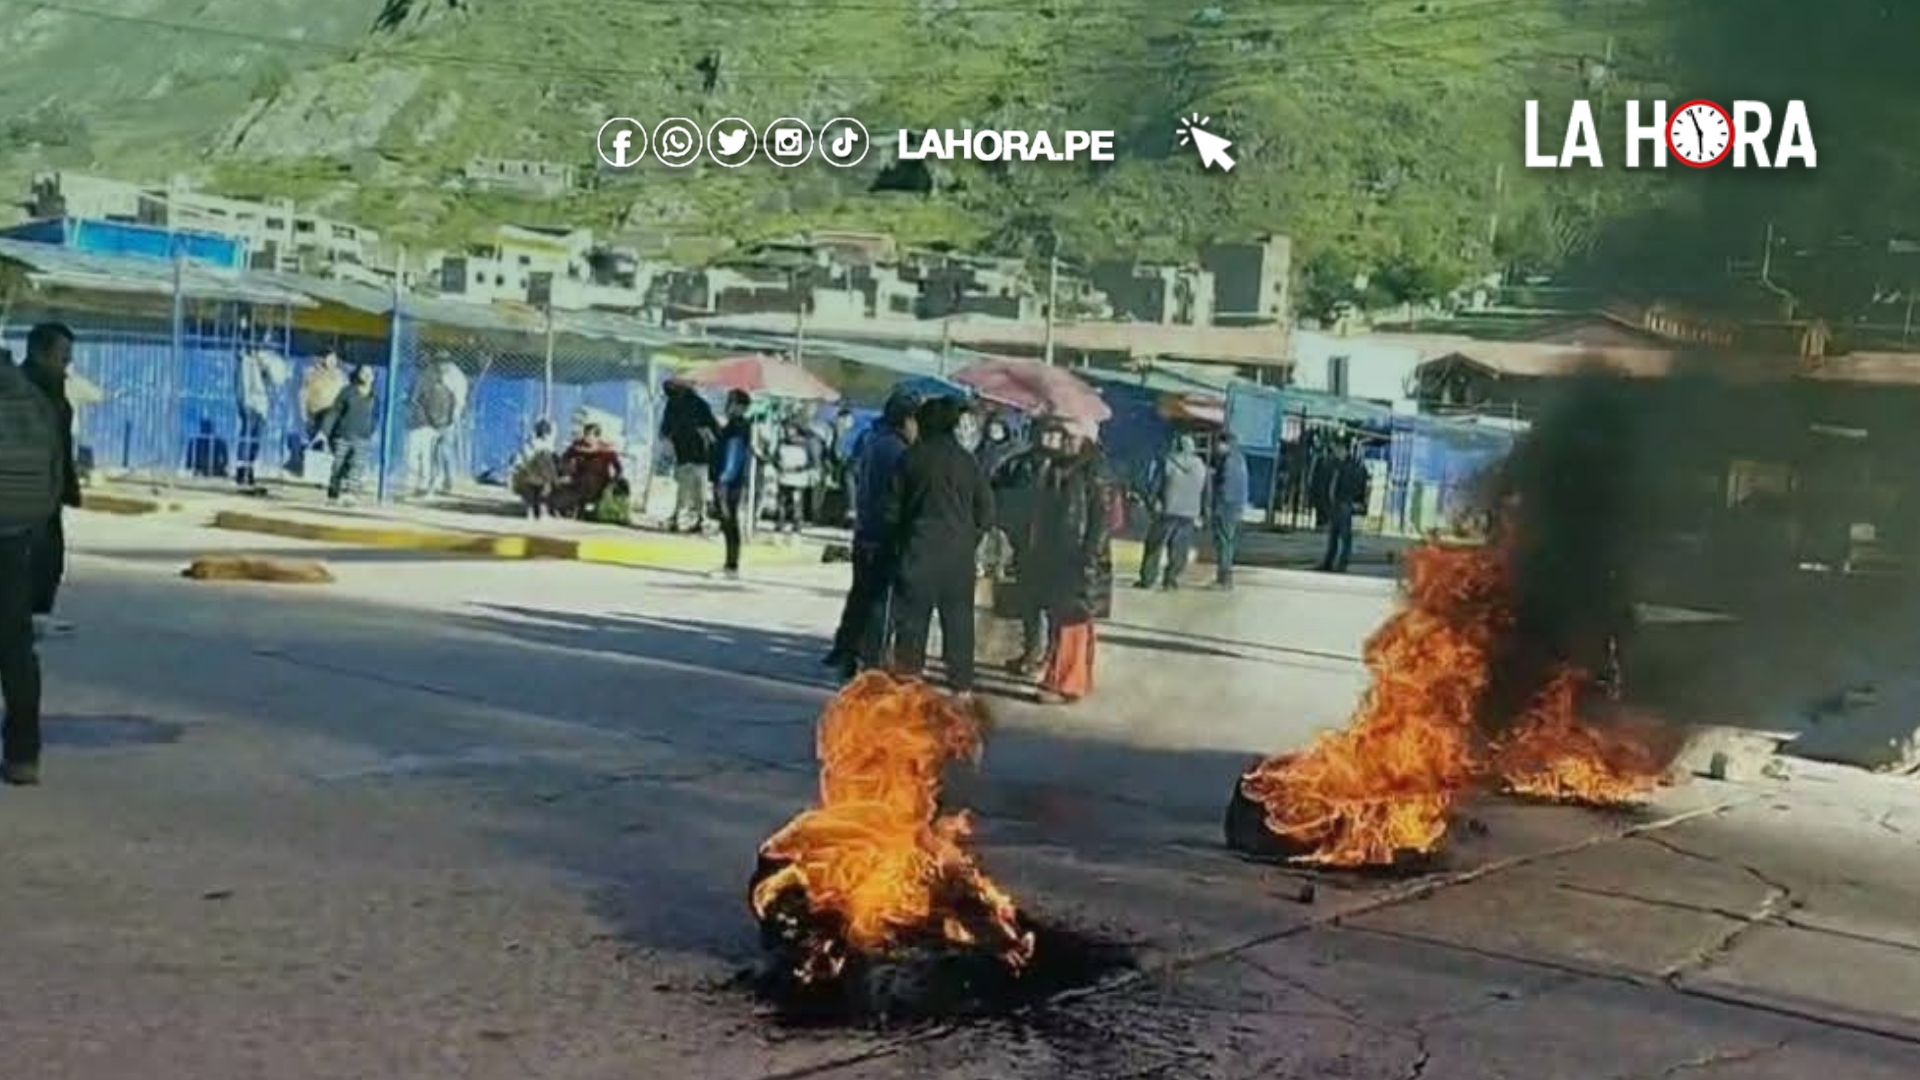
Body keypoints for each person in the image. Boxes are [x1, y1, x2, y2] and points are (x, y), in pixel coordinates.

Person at [886, 396, 994, 697]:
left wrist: (899, 543)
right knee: (959, 623)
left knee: (912, 622)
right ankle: (961, 687)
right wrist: (968, 540)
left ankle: (908, 683)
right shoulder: (967, 462)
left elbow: (892, 512)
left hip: (917, 552)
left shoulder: (910, 458)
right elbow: (986, 512)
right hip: (957, 558)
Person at [0, 346, 62, 784]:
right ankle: (24, 756)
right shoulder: (33, 398)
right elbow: (56, 470)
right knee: (15, 645)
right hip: (18, 532)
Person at [824, 391, 917, 679]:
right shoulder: (898, 451)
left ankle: (845, 651)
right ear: (907, 420)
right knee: (880, 602)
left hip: (866, 530)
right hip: (883, 533)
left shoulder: (873, 439)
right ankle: (870, 661)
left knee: (861, 596)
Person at [1024, 424, 1115, 705]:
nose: (1063, 441)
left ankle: (1067, 683)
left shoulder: (1094, 470)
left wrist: (1088, 557)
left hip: (1078, 558)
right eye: (1062, 435)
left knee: (1072, 620)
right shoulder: (1062, 466)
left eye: (1070, 436)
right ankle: (1067, 677)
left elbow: (1101, 520)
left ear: (1087, 438)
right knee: (1066, 619)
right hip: (1059, 555)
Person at [21, 323, 79, 639]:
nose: (67, 366)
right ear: (40, 354)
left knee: (49, 559)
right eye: (62, 358)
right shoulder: (20, 392)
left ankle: (35, 618)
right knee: (31, 559)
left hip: (48, 493)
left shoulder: (54, 391)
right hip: (24, 495)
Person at [1135, 434, 1207, 591]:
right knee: (1179, 549)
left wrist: (1151, 503)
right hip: (1189, 513)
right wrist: (1202, 512)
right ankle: (1171, 580)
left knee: (1154, 546)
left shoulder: (1167, 462)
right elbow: (1206, 491)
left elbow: (1155, 486)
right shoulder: (1201, 466)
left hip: (1167, 511)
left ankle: (1148, 579)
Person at [659, 378, 718, 533]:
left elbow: (713, 429)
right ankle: (685, 517)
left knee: (696, 488)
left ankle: (697, 518)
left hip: (697, 453)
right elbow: (666, 429)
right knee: (687, 487)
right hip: (686, 453)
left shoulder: (698, 405)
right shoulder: (674, 404)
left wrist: (704, 432)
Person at [322, 364, 380, 505]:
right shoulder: (347, 392)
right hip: (343, 435)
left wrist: (369, 430)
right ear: (358, 374)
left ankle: (350, 494)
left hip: (362, 437)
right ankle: (333, 492)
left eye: (369, 373)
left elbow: (376, 416)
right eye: (364, 372)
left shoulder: (374, 396)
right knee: (338, 465)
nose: (367, 376)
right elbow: (335, 411)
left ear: (373, 377)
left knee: (357, 466)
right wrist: (326, 431)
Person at [711, 390, 754, 578]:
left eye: (731, 402)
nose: (727, 405)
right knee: (727, 521)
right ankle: (730, 563)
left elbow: (733, 454)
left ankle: (732, 564)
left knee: (729, 521)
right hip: (729, 479)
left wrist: (723, 479)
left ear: (740, 406)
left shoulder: (738, 426)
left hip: (729, 481)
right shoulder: (734, 425)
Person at [233, 343, 287, 490]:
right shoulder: (244, 360)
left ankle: (249, 469)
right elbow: (241, 385)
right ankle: (241, 470)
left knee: (255, 438)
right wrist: (243, 403)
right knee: (247, 435)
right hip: (249, 402)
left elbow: (276, 379)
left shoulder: (266, 359)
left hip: (262, 404)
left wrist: (264, 366)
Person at [1317, 439, 1371, 574]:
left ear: (1343, 449)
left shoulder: (1353, 466)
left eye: (1337, 449)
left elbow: (1359, 485)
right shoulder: (1334, 464)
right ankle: (1328, 562)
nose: (1335, 452)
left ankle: (1342, 564)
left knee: (1345, 537)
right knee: (1333, 536)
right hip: (1334, 503)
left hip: (1345, 504)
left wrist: (1356, 502)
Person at [405, 362, 458, 497]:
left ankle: (426, 486)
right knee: (415, 456)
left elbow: (447, 410)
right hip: (418, 425)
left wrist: (438, 424)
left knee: (428, 458)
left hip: (430, 427)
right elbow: (413, 401)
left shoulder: (445, 390)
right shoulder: (422, 383)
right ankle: (418, 485)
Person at [1208, 432, 1250, 588]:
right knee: (1227, 542)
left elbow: (1226, 488)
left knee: (1224, 543)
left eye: (1218, 444)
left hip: (1226, 508)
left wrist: (1217, 507)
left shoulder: (1229, 461)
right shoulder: (1240, 459)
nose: (1216, 447)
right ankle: (1224, 578)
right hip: (1234, 507)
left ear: (1225, 444)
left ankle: (1224, 579)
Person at [558, 423, 624, 520]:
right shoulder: (577, 447)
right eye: (585, 434)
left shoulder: (607, 451)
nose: (586, 437)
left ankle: (580, 508)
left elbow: (618, 468)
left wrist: (614, 481)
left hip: (598, 483)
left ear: (597, 437)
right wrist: (566, 472)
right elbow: (564, 459)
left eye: (590, 435)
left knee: (588, 479)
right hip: (578, 479)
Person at [298, 349, 347, 476]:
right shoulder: (311, 373)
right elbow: (303, 394)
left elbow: (345, 396)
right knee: (316, 444)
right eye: (329, 358)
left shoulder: (340, 376)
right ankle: (316, 474)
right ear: (322, 358)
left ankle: (332, 474)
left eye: (334, 359)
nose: (331, 361)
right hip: (314, 414)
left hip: (333, 417)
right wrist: (303, 412)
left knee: (332, 446)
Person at [773, 416, 819, 537]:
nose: (788, 431)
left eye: (790, 428)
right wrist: (778, 465)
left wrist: (800, 468)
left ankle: (796, 526)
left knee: (796, 502)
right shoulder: (782, 442)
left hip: (798, 479)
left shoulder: (806, 444)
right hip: (783, 477)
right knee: (781, 502)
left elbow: (813, 462)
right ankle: (780, 524)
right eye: (786, 428)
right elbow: (775, 457)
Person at [510, 419, 561, 519]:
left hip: (531, 477)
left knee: (540, 486)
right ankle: (537, 508)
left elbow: (518, 462)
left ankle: (534, 508)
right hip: (534, 477)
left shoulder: (532, 443)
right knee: (545, 460)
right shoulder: (544, 446)